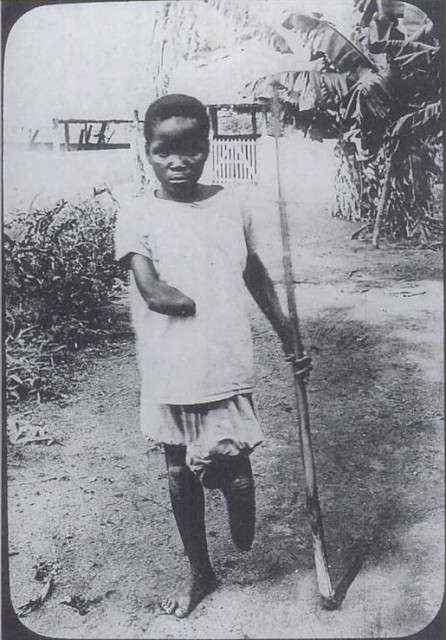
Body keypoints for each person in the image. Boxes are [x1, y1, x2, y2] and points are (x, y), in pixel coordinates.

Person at [114, 94, 297, 618]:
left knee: (235, 468)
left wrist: (287, 332)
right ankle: (200, 572)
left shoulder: (233, 205)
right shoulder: (136, 213)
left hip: (223, 360)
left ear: (208, 146)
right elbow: (150, 287)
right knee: (178, 471)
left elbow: (253, 273)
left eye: (190, 149)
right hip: (169, 364)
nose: (178, 162)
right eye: (163, 151)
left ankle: (233, 484)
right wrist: (183, 300)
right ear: (147, 152)